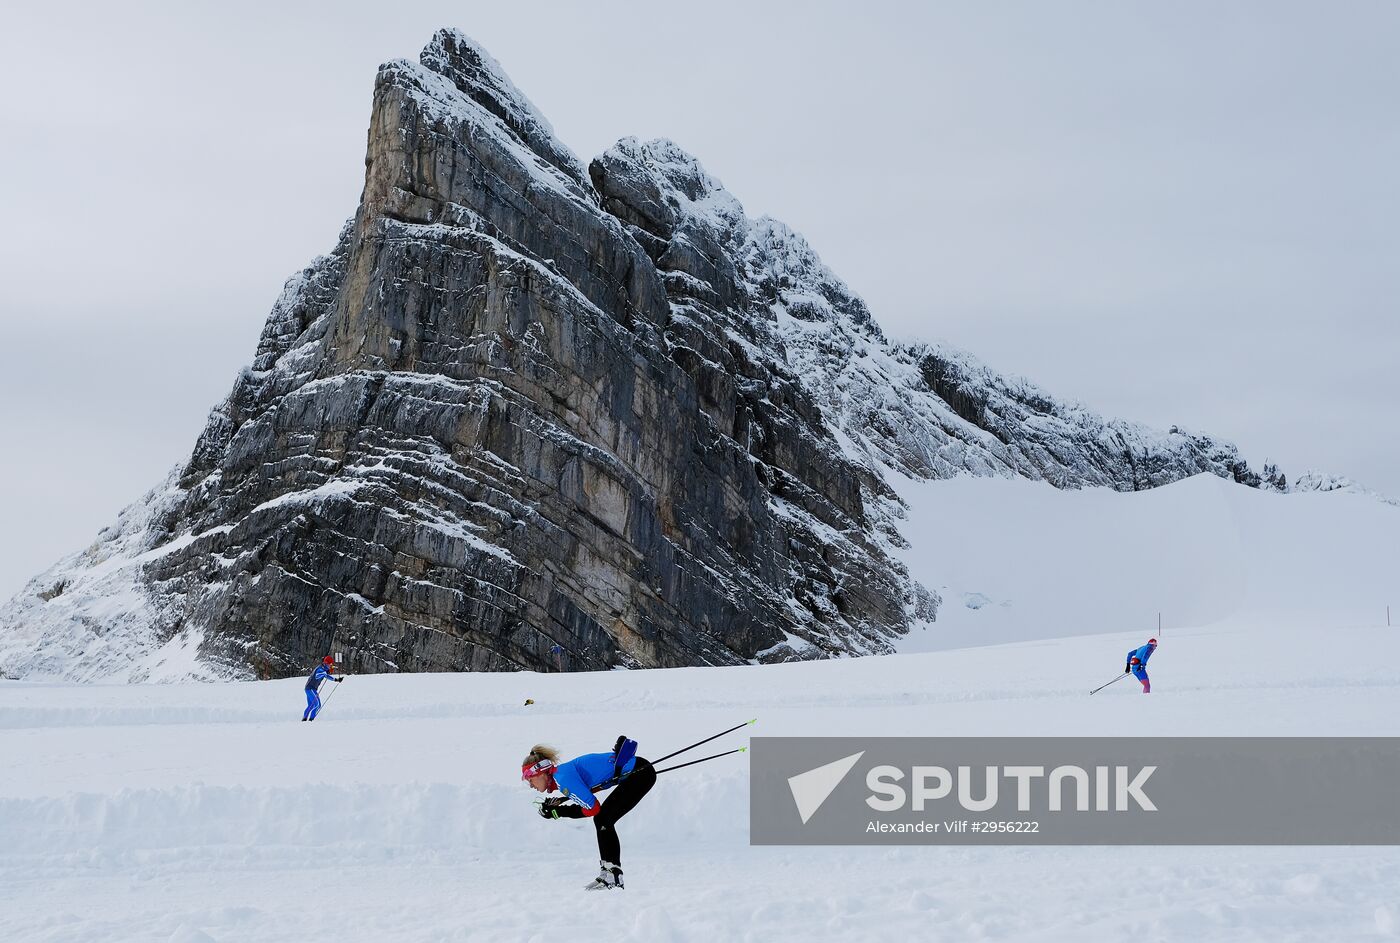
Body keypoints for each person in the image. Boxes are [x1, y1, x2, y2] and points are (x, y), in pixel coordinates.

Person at [522, 740, 657, 890]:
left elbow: (592, 809)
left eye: (531, 780)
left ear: (542, 773)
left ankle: (613, 874)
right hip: (638, 771)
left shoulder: (563, 779)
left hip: (640, 773)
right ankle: (609, 873)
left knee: (603, 818)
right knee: (602, 819)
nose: (531, 785)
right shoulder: (561, 775)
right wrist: (557, 809)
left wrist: (558, 812)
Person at [303, 655, 343, 720]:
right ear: (326, 663)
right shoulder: (320, 669)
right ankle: (310, 720)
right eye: (330, 664)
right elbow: (317, 676)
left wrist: (336, 679)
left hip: (311, 689)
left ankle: (304, 720)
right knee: (317, 705)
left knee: (311, 706)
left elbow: (326, 675)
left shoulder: (323, 668)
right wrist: (325, 674)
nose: (331, 666)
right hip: (310, 689)